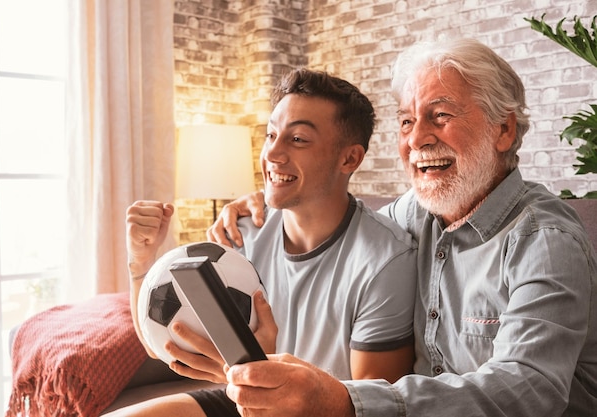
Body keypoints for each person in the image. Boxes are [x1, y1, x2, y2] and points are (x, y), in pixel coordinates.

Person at [210, 38, 597, 417]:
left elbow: (528, 389)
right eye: (407, 121)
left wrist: (345, 402)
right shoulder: (410, 217)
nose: (416, 138)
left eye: (440, 115)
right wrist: (269, 202)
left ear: (504, 131)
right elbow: (333, 213)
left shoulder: (544, 239)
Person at [118, 68, 418, 416]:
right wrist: (140, 261)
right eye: (270, 134)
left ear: (349, 158)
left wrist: (260, 369)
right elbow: (162, 346)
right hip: (247, 400)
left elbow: (372, 408)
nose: (272, 154)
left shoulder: (385, 259)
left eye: (298, 139)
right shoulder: (242, 233)